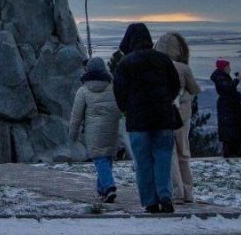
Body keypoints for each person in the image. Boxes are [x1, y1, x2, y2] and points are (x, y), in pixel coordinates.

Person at [113, 23, 182, 214]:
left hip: (138, 121)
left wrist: (127, 108)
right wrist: (164, 100)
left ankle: (150, 202)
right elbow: (175, 86)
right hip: (163, 118)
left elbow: (119, 93)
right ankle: (165, 197)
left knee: (143, 162)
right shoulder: (162, 59)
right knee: (163, 158)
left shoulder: (126, 63)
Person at [155, 32, 201, 204]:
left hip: (164, 114)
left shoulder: (157, 66)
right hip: (183, 115)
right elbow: (195, 89)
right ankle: (188, 192)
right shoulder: (183, 68)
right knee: (184, 153)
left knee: (170, 154)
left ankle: (177, 191)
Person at [69, 57, 121, 203]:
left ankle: (110, 187)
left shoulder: (83, 90)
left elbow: (76, 116)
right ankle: (102, 191)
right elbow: (119, 108)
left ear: (88, 70)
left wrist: (72, 134)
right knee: (106, 158)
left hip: (94, 131)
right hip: (112, 128)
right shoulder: (113, 87)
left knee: (100, 159)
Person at [211, 58, 241, 157]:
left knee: (234, 129)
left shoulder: (222, 77)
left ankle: (235, 151)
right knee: (229, 129)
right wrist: (237, 80)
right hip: (227, 107)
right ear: (224, 68)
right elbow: (227, 88)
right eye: (228, 67)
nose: (229, 69)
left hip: (230, 106)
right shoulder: (220, 78)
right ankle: (230, 152)